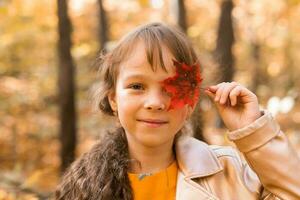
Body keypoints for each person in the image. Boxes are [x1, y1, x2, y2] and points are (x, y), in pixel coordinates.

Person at [55, 23, 300, 200]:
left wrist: (255, 134)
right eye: (137, 86)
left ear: (191, 100)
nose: (155, 102)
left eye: (171, 88)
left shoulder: (229, 174)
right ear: (113, 99)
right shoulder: (83, 186)